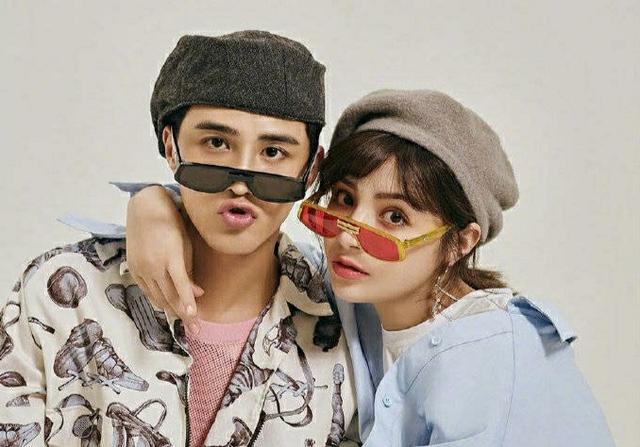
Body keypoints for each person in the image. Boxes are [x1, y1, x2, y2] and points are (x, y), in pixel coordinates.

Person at [121, 89, 615, 446]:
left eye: (394, 217)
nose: (348, 234)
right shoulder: (354, 299)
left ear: (460, 243)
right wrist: (153, 206)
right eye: (343, 199)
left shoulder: (493, 355)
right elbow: (242, 229)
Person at [0, 31, 359, 447]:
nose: (241, 182)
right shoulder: (61, 294)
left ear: (311, 169)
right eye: (217, 143)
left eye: (274, 152)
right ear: (171, 147)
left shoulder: (346, 324)